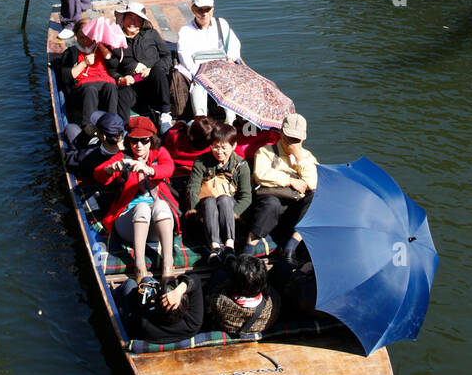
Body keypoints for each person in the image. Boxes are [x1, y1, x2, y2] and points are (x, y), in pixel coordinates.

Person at [92, 117, 179, 285]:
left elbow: (169, 168)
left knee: (161, 205)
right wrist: (111, 169)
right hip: (128, 224)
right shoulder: (123, 158)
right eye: (133, 141)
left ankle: (168, 264)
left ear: (150, 141)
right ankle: (139, 266)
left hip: (155, 226)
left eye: (143, 141)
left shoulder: (159, 154)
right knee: (142, 207)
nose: (138, 145)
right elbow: (98, 174)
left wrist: (150, 170)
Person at [243, 113, 317, 261]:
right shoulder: (266, 151)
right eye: (289, 137)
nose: (291, 142)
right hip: (270, 204)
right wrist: (290, 180)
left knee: (315, 197)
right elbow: (261, 175)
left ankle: (292, 245)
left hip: (295, 208)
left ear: (303, 138)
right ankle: (248, 249)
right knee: (271, 203)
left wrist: (299, 159)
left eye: (295, 139)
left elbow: (312, 183)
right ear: (281, 133)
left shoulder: (308, 157)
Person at [184, 123, 252, 263]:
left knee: (224, 199)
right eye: (215, 146)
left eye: (223, 147)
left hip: (231, 214)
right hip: (206, 212)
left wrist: (234, 213)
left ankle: (229, 246)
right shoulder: (201, 162)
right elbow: (193, 188)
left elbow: (246, 196)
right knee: (209, 201)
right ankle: (214, 248)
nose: (219, 151)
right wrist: (195, 211)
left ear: (233, 146)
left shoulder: (241, 166)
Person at [107, 1, 173, 134]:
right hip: (133, 88)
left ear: (142, 22)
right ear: (124, 19)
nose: (133, 22)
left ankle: (165, 114)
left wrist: (151, 69)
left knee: (158, 70)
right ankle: (123, 130)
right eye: (130, 17)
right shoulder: (115, 40)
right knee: (122, 93)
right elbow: (112, 70)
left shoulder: (151, 34)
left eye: (138, 19)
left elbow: (167, 56)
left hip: (154, 86)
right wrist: (121, 79)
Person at [176, 0, 240, 120]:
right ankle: (201, 119)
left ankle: (230, 120)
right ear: (193, 9)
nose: (204, 13)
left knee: (230, 83)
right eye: (200, 9)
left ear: (213, 9)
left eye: (207, 9)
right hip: (200, 70)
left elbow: (234, 44)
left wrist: (231, 59)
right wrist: (198, 73)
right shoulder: (186, 31)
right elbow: (184, 55)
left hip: (222, 68)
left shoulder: (222, 24)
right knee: (198, 86)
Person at [57, 13, 119, 125]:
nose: (85, 41)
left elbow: (114, 65)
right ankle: (88, 127)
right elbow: (66, 78)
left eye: (89, 37)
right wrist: (84, 63)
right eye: (81, 38)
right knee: (90, 89)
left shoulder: (101, 48)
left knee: (111, 87)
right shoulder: (71, 52)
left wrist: (101, 47)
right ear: (76, 36)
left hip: (104, 83)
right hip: (83, 88)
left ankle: (112, 125)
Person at [115, 272, 205, 343]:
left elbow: (134, 299)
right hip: (159, 326)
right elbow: (196, 278)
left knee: (131, 283)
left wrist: (147, 302)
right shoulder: (193, 323)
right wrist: (178, 291)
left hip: (134, 323)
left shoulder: (144, 324)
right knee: (147, 280)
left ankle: (112, 294)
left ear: (155, 306)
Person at [207, 254, 281, 336]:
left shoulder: (219, 302)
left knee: (219, 274)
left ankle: (220, 261)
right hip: (261, 327)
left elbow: (213, 296)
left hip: (228, 328)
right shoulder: (273, 301)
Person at [64, 111, 125, 176]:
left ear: (103, 137)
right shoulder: (130, 145)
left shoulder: (88, 155)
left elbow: (69, 161)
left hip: (86, 166)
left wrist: (85, 135)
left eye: (97, 128)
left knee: (70, 128)